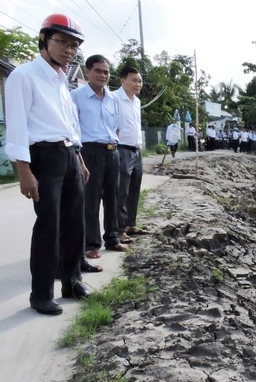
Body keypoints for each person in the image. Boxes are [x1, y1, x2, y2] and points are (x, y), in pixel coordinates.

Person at [5, 14, 90, 315]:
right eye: (62, 42)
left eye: (74, 45)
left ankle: (72, 281)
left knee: (73, 222)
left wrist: (78, 158)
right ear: (44, 39)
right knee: (48, 226)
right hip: (43, 156)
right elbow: (16, 127)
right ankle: (41, 294)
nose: (68, 50)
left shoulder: (61, 80)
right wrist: (24, 170)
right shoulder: (24, 76)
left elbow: (68, 124)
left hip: (68, 154)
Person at [71, 54, 129, 260]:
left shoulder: (114, 99)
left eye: (106, 71)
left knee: (113, 196)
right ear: (88, 72)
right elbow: (73, 129)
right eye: (98, 70)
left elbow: (117, 128)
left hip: (112, 151)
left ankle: (112, 238)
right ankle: (91, 243)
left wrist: (111, 147)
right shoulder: (76, 97)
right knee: (91, 198)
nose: (103, 75)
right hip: (89, 151)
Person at [113, 66, 150, 245]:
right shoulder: (113, 98)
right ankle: (118, 230)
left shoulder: (136, 102)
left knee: (134, 189)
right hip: (121, 149)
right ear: (122, 80)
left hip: (136, 149)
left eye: (140, 81)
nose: (138, 84)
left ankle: (130, 224)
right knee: (121, 191)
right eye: (134, 80)